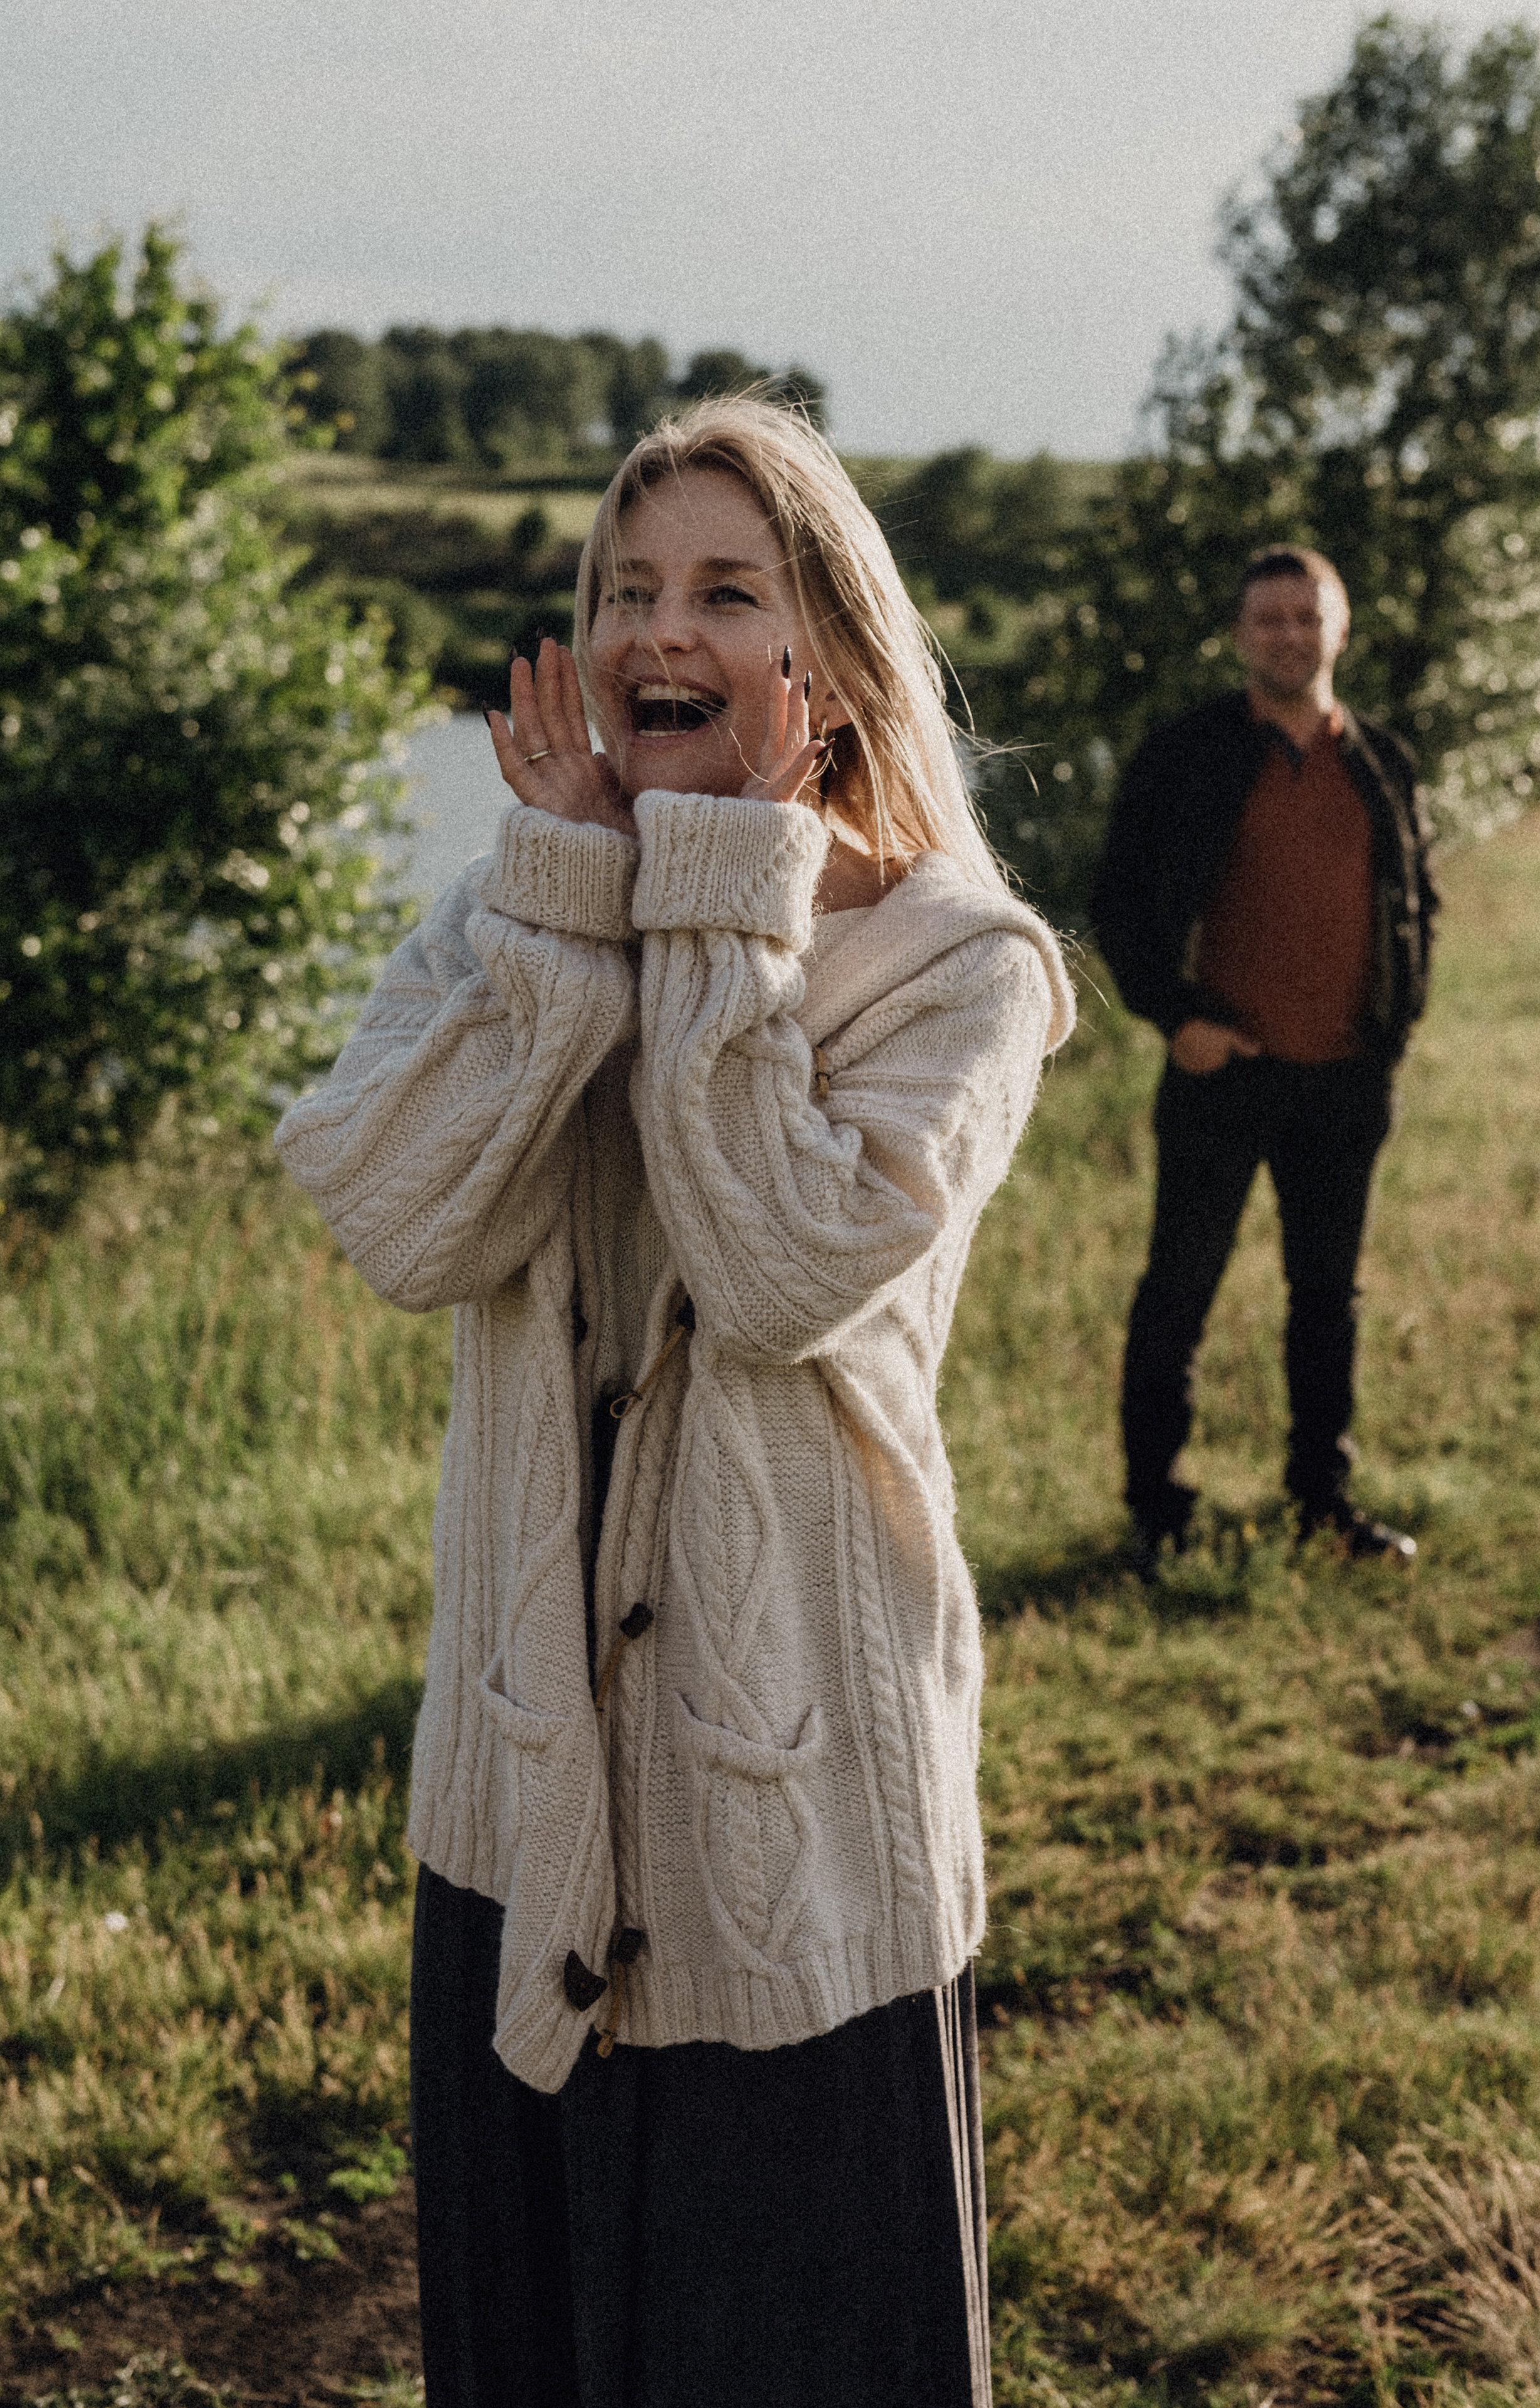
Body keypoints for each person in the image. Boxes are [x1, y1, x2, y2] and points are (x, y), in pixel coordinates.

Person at [275, 396, 1073, 2408]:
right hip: (521, 1795)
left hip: (787, 1814)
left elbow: (780, 1264)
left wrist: (718, 895)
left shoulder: (966, 968)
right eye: (629, 588)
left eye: (728, 587)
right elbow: (393, 1211)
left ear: (836, 647)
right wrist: (566, 917)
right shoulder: (523, 905)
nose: (661, 628)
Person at [1091, 546, 1437, 1571]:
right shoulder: (1185, 754)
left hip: (1345, 1078)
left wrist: (1395, 1028)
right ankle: (1157, 1511)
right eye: (1269, 619)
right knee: (1178, 1293)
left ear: (1341, 629)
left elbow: (1415, 906)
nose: (1289, 634)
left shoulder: (1381, 761)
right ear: (1242, 636)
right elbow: (1119, 906)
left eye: (1307, 616)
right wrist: (1176, 1018)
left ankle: (1321, 1500)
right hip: (1220, 1072)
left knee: (1328, 1299)